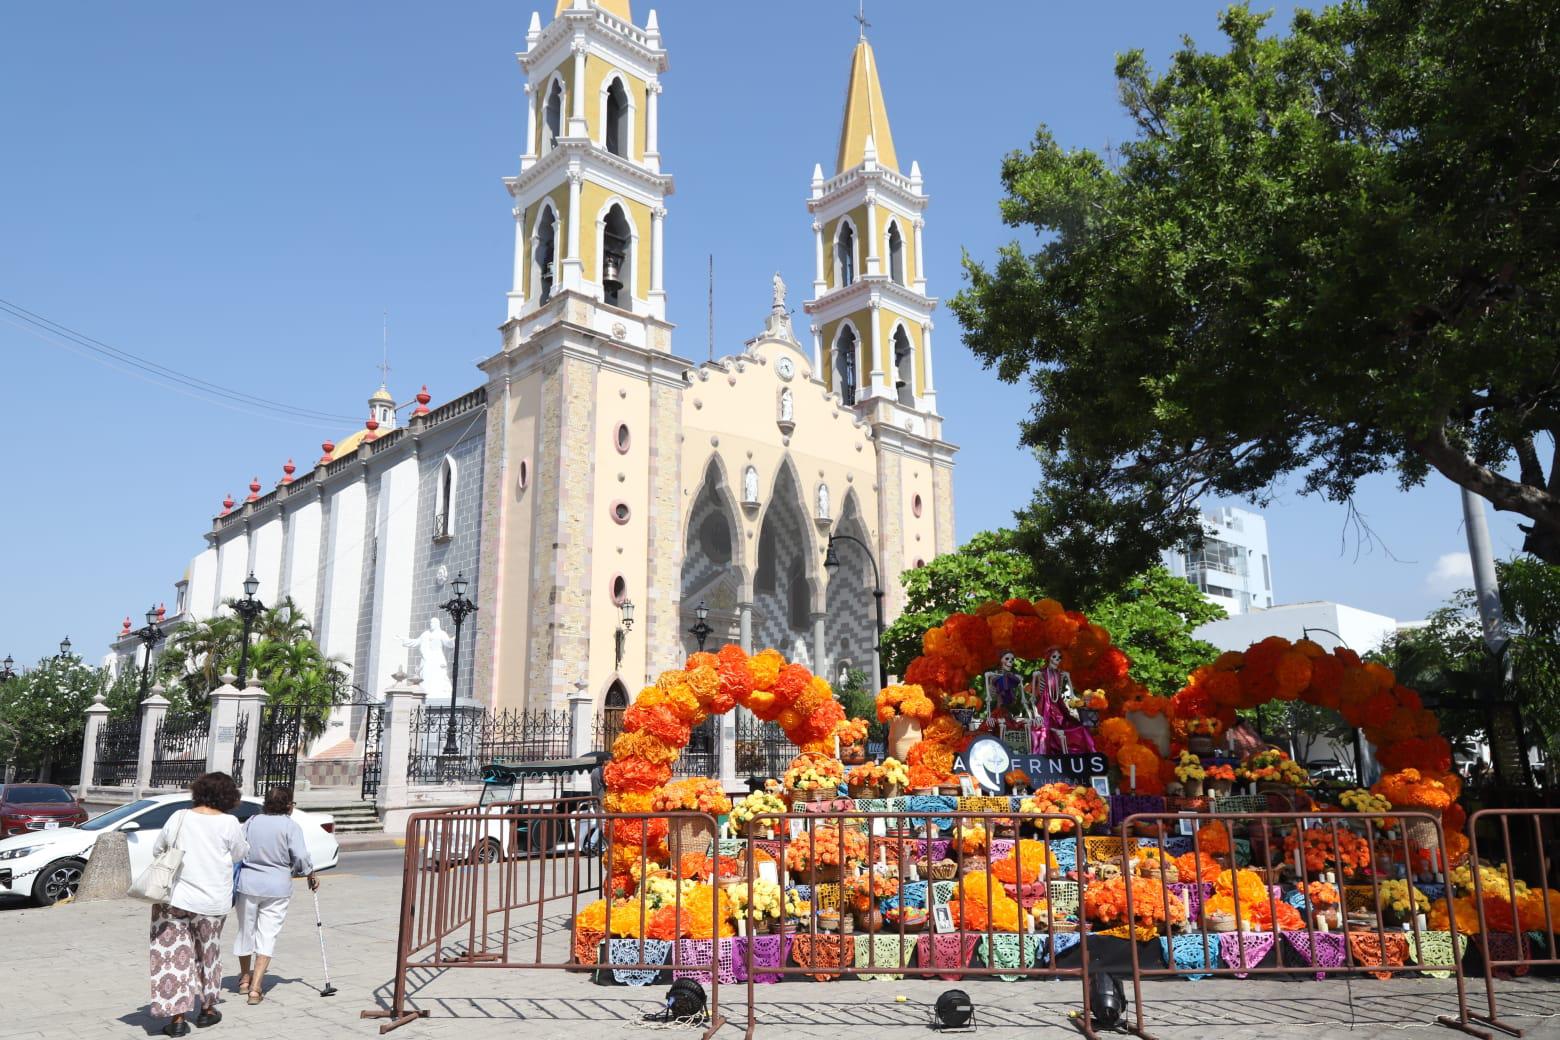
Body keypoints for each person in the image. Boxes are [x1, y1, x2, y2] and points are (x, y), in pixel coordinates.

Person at [149, 772, 248, 1037]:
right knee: (208, 954)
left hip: (174, 898)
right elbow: (240, 853)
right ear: (228, 796)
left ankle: (178, 1019)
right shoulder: (229, 823)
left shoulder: (179, 817)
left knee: (171, 958)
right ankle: (206, 1011)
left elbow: (158, 849)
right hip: (213, 901)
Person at [234, 786, 317, 1004]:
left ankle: (244, 978)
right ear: (289, 805)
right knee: (267, 934)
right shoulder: (291, 826)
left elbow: (238, 850)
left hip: (248, 884)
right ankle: (256, 988)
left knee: (245, 931)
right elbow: (300, 856)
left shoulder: (251, 822)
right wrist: (308, 873)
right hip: (277, 886)